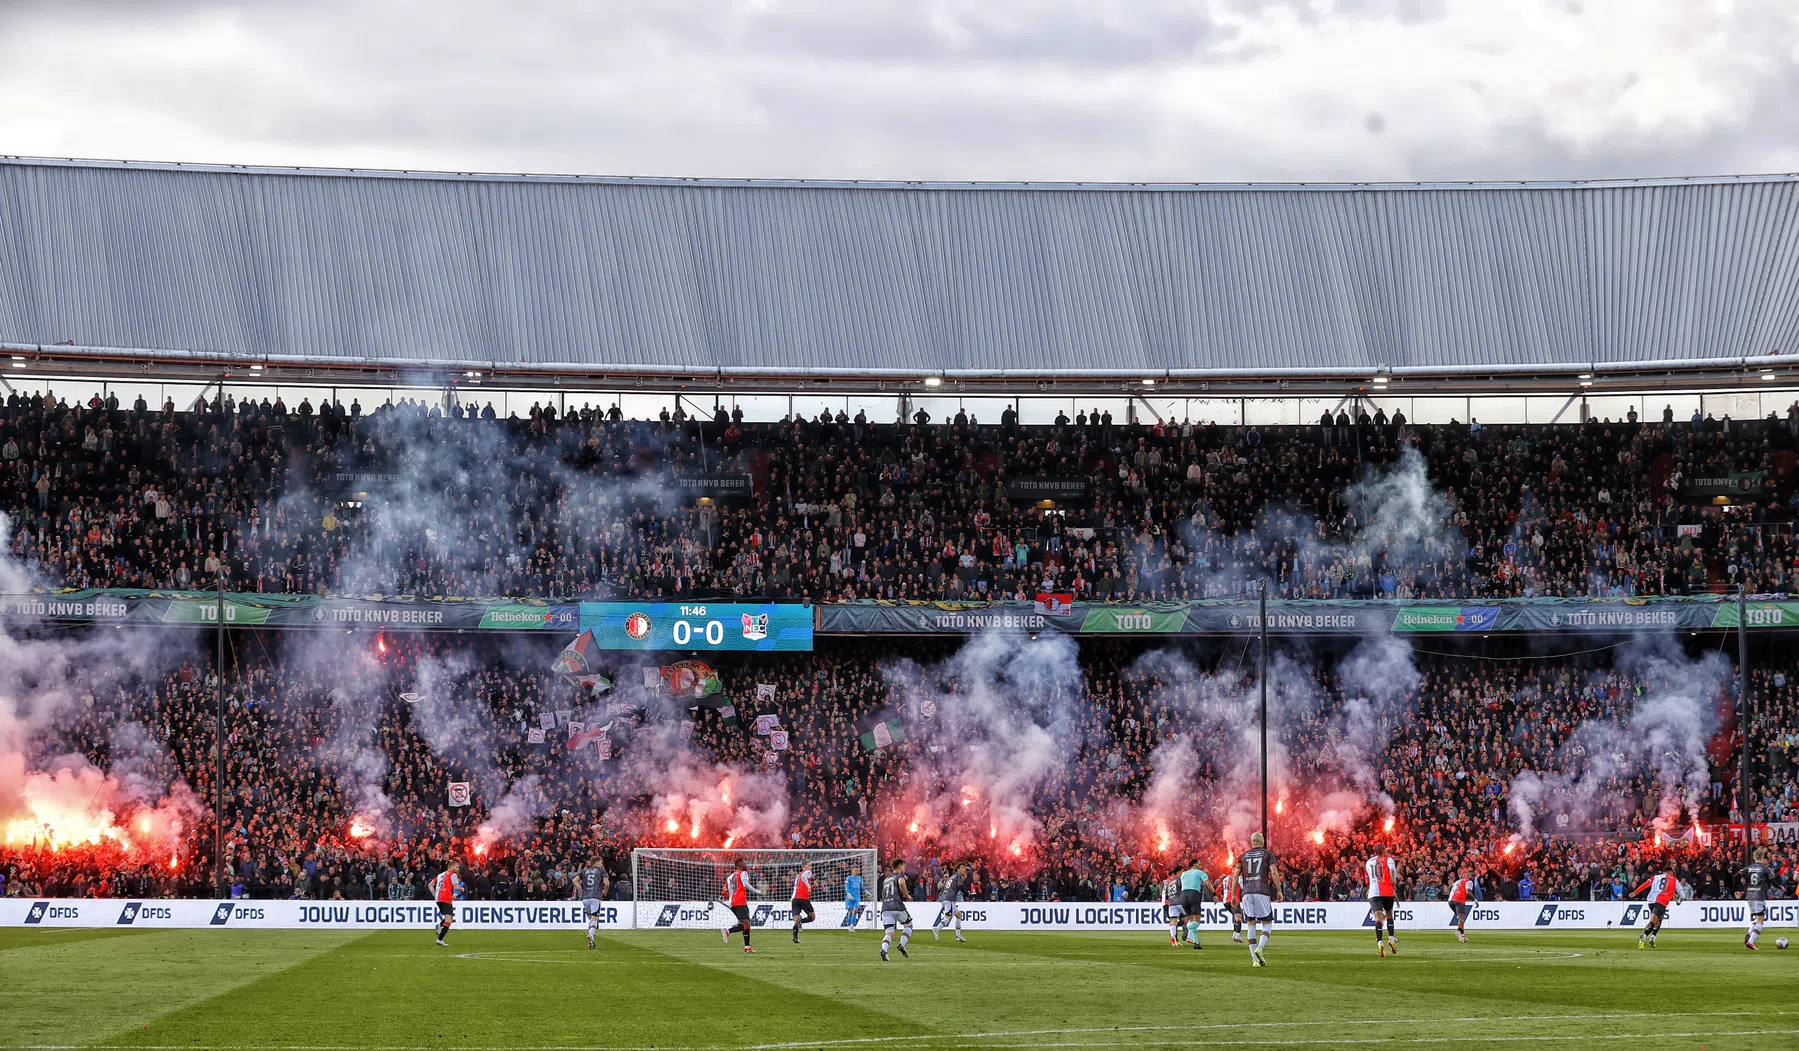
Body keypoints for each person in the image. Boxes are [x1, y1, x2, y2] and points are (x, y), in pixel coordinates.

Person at [1235, 832, 1279, 968]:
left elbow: (1235, 875)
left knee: (1251, 923)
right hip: (1262, 890)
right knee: (1267, 922)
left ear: (1251, 842)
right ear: (1263, 841)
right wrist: (1279, 890)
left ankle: (1255, 960)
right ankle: (1259, 949)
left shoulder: (1242, 856)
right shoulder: (1267, 854)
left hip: (1246, 892)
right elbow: (1274, 872)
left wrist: (1232, 895)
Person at [1633, 868, 1680, 949]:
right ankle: (1643, 936)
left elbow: (1646, 885)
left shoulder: (1655, 877)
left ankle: (1652, 938)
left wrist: (1636, 892)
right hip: (1659, 901)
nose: (1672, 875)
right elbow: (1665, 890)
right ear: (1668, 872)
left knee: (1659, 919)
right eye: (1672, 873)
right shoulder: (1669, 879)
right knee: (1654, 921)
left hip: (1651, 901)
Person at [1365, 850, 1400, 956]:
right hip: (1387, 892)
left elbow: (1367, 881)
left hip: (1374, 892)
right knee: (1389, 914)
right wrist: (1393, 880)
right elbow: (1392, 869)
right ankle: (1391, 937)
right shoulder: (1388, 860)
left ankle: (1380, 942)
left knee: (1378, 918)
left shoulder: (1369, 862)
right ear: (1383, 851)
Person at [879, 858, 913, 962]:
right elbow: (902, 882)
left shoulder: (886, 879)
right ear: (899, 867)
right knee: (909, 925)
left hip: (885, 907)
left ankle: (884, 950)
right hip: (896, 905)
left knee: (889, 932)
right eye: (903, 866)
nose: (904, 868)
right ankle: (902, 945)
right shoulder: (900, 876)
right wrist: (906, 895)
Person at [720, 859, 757, 954]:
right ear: (739, 865)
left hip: (733, 903)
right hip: (740, 902)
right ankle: (728, 931)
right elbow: (745, 884)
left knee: (746, 924)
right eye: (744, 863)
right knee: (746, 924)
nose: (745, 864)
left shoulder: (729, 877)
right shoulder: (743, 873)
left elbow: (724, 892)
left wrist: (730, 899)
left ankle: (747, 947)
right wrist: (757, 892)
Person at [1177, 858, 1211, 950]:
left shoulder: (1183, 874)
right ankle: (1187, 927)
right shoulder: (1200, 873)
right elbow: (1208, 883)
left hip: (1183, 895)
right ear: (1194, 865)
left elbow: (1179, 885)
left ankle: (1196, 942)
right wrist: (1214, 894)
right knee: (1197, 920)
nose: (1201, 866)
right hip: (1194, 894)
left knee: (1192, 919)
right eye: (1199, 864)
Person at [932, 863, 970, 942]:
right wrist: (966, 893)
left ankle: (958, 936)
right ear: (958, 869)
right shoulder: (958, 876)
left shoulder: (952, 877)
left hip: (944, 898)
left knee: (959, 915)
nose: (964, 869)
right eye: (962, 868)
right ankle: (936, 929)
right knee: (948, 917)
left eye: (965, 868)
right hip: (949, 899)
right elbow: (960, 887)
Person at [1744, 849, 1774, 950]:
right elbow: (1773, 880)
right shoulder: (1764, 868)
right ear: (1763, 857)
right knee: (1761, 920)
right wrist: (1780, 887)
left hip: (1749, 895)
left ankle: (1749, 933)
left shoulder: (1749, 868)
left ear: (1753, 857)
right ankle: (1751, 942)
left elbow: (1737, 876)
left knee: (1757, 919)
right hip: (1759, 895)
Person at [430, 860, 463, 947]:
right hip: (445, 898)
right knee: (449, 919)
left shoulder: (440, 875)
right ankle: (439, 939)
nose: (457, 868)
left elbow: (430, 885)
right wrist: (461, 889)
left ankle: (440, 925)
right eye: (456, 866)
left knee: (449, 916)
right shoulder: (453, 874)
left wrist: (435, 895)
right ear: (451, 867)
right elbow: (456, 886)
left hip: (438, 899)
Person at [578, 863, 609, 950]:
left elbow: (574, 880)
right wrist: (605, 892)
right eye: (601, 862)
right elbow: (607, 884)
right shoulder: (601, 871)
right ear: (597, 862)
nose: (602, 864)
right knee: (595, 918)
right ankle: (590, 934)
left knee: (591, 919)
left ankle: (591, 942)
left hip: (585, 898)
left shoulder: (585, 872)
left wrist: (581, 890)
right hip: (595, 897)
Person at [1446, 869, 1480, 944]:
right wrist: (1475, 900)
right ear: (1468, 875)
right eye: (1472, 876)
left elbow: (1449, 887)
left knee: (1461, 917)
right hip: (1458, 900)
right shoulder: (1469, 881)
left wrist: (1449, 895)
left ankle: (1462, 935)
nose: (1474, 877)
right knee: (1462, 917)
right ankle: (1458, 932)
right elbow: (1468, 892)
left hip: (1450, 901)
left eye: (1475, 876)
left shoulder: (1458, 881)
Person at [790, 862, 816, 944]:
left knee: (796, 920)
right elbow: (804, 876)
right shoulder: (807, 872)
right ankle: (801, 921)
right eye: (810, 865)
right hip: (804, 899)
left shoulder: (798, 875)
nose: (811, 866)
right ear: (804, 866)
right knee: (812, 917)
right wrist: (809, 887)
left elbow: (801, 887)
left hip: (795, 899)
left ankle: (795, 937)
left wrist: (813, 886)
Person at [1217, 870, 1245, 944]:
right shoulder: (1238, 877)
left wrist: (1222, 899)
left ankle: (1235, 934)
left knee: (1236, 917)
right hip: (1234, 900)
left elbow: (1217, 890)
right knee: (1238, 918)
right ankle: (1237, 934)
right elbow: (1243, 887)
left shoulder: (1225, 878)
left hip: (1226, 902)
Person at [1160, 870, 1184, 947]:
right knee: (1186, 918)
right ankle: (1185, 934)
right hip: (1173, 901)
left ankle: (1174, 938)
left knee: (1173, 920)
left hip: (1166, 903)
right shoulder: (1174, 881)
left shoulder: (1165, 882)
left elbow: (1162, 892)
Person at [843, 863, 865, 931]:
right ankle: (849, 925)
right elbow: (846, 887)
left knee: (855, 910)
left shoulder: (859, 878)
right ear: (852, 871)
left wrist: (866, 892)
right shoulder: (848, 878)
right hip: (850, 897)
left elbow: (861, 887)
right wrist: (849, 894)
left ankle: (852, 926)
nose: (856, 872)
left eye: (858, 870)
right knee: (850, 911)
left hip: (857, 897)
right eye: (855, 870)